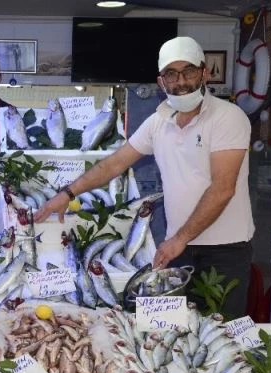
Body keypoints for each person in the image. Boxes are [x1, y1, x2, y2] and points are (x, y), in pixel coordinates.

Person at [34, 36, 254, 317]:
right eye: (171, 74)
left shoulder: (228, 117)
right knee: (179, 330)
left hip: (223, 251)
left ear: (205, 72)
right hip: (180, 249)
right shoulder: (159, 121)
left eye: (188, 71)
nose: (181, 81)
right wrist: (67, 194)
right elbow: (114, 164)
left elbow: (223, 188)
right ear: (161, 82)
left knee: (221, 330)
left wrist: (179, 239)